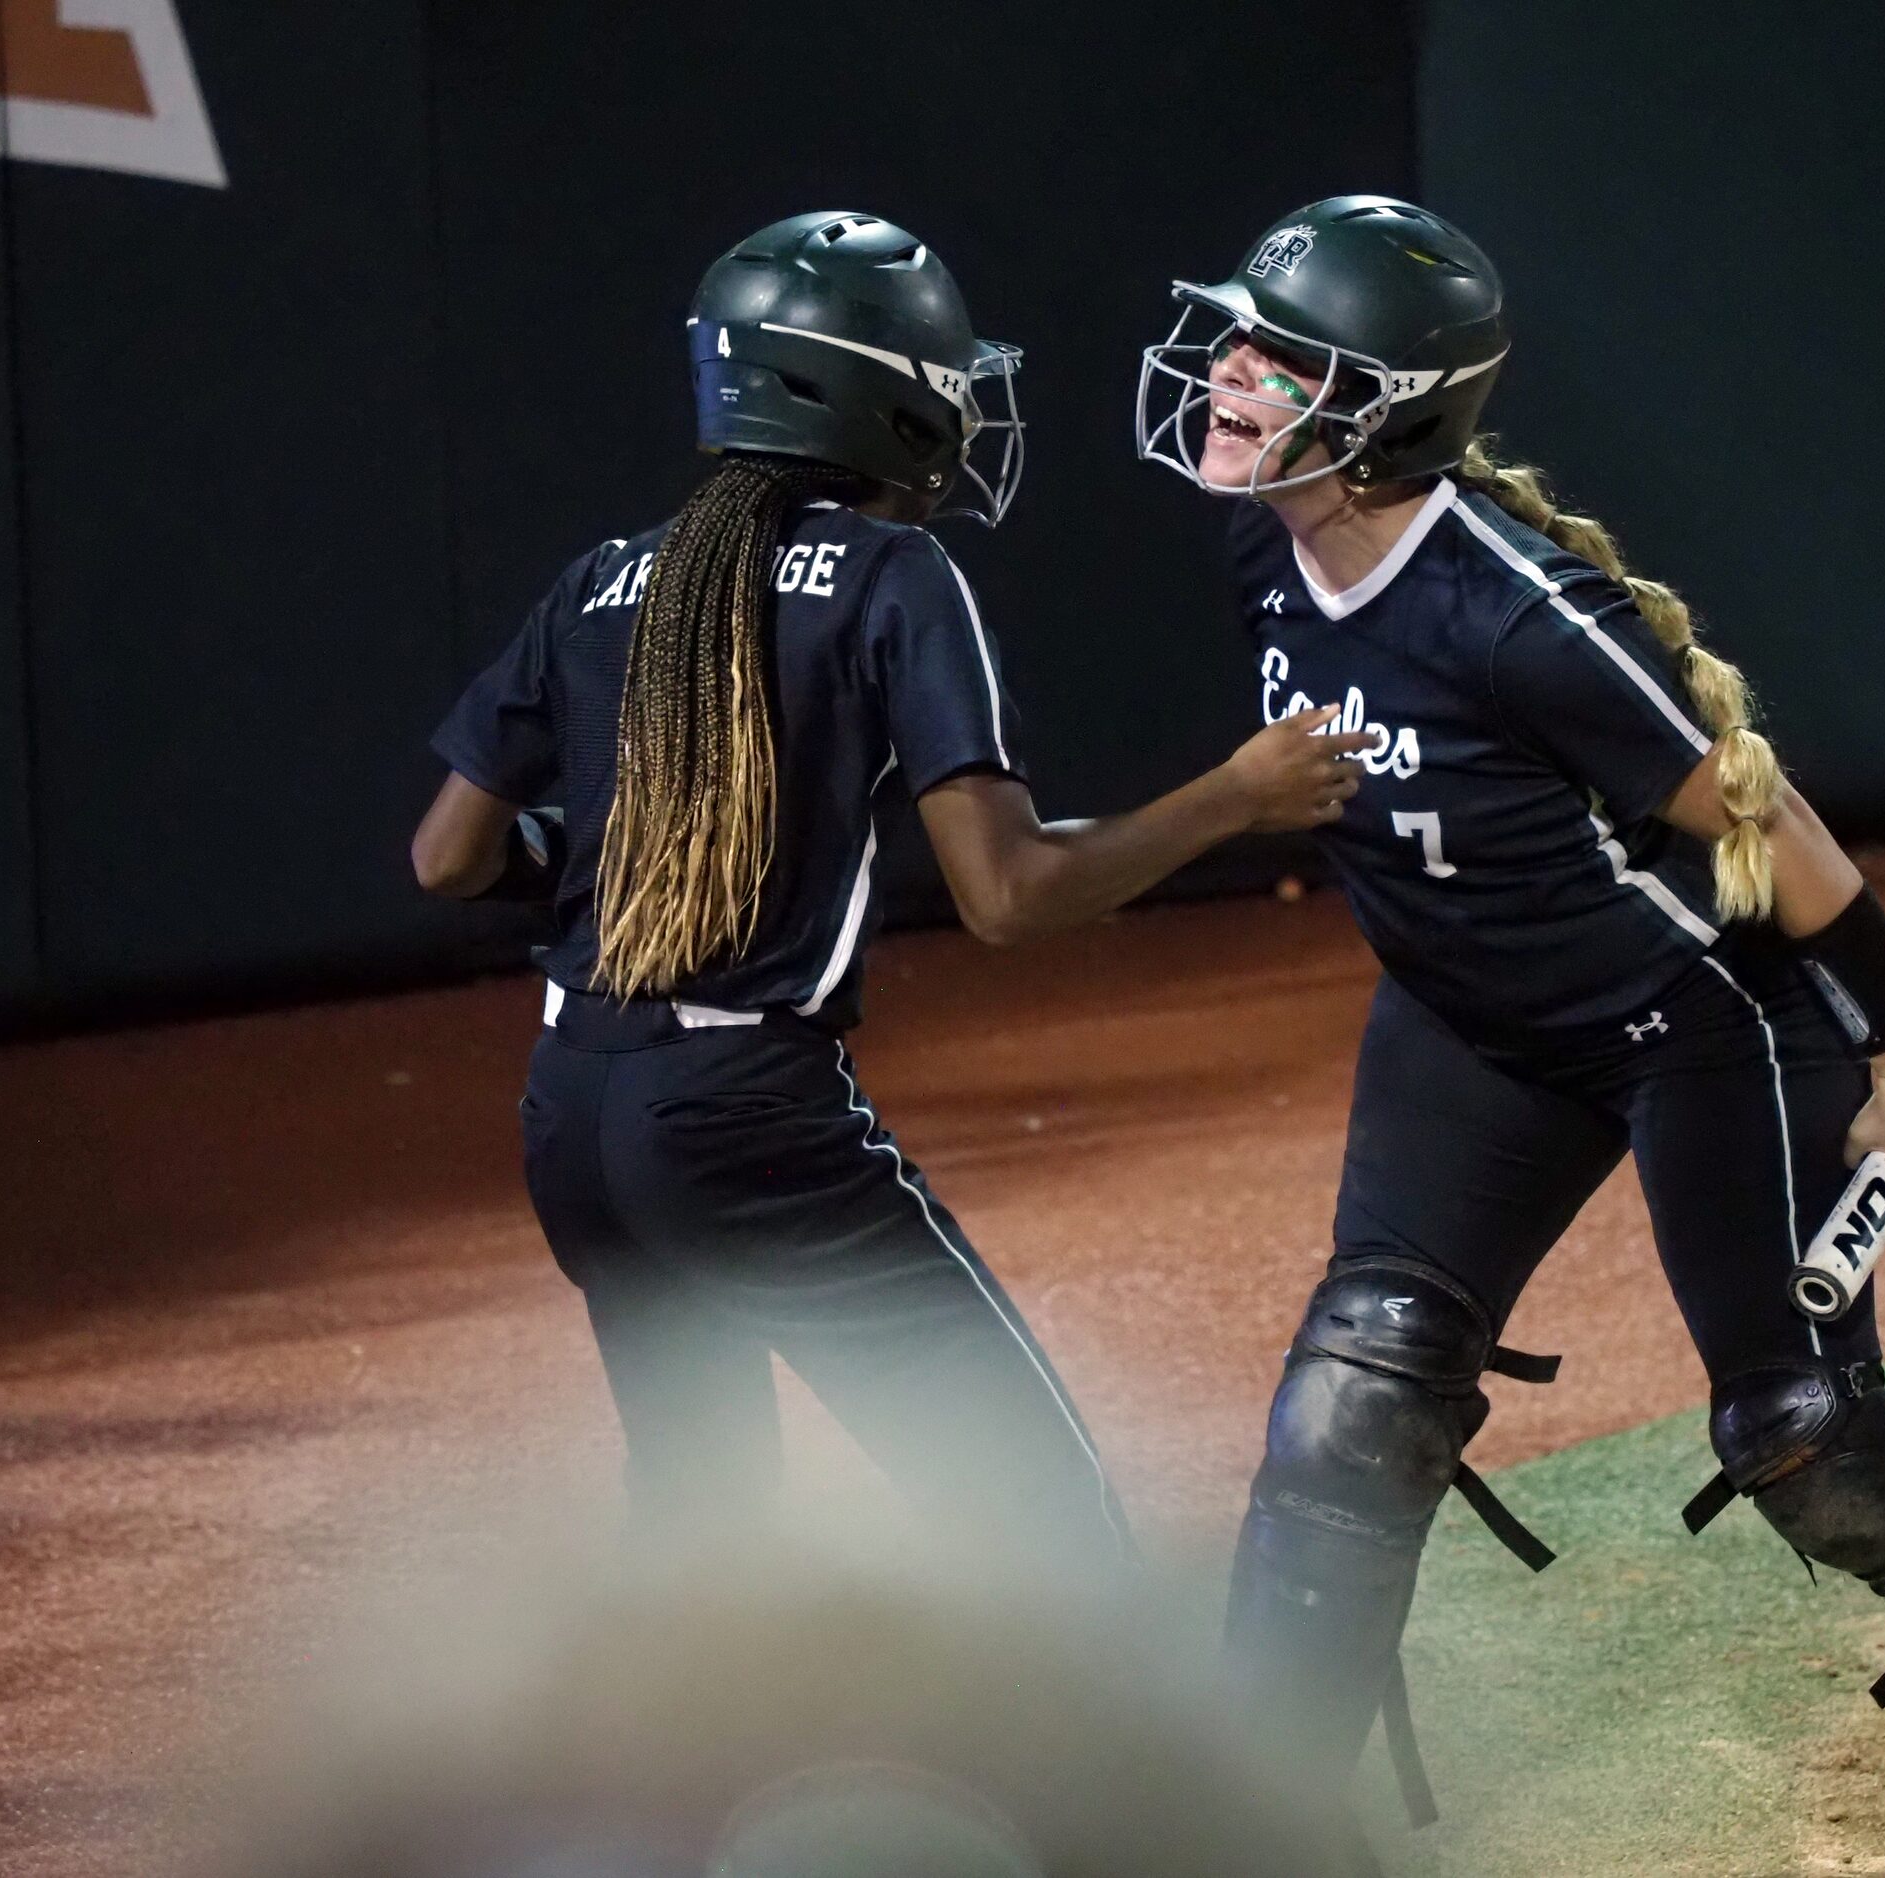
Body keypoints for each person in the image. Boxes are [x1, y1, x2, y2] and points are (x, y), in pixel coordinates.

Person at [1136, 195, 1885, 1878]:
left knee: (1807, 1442)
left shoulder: (1518, 617)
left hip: (1697, 1023)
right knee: (1347, 1407)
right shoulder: (1259, 540)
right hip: (1467, 1023)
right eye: (1235, 336)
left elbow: (1772, 825)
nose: (1226, 374)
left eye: (1277, 357)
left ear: (1382, 416)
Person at [412, 211, 1368, 1569]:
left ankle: (678, 1781)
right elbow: (1009, 891)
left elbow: (446, 857)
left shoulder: (601, 580)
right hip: (743, 1117)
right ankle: (1105, 1788)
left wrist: (591, 863)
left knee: (702, 1532)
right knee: (1039, 1513)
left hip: (568, 1106)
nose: (963, 401)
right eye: (938, 374)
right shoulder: (892, 575)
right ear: (866, 394)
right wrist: (1237, 795)